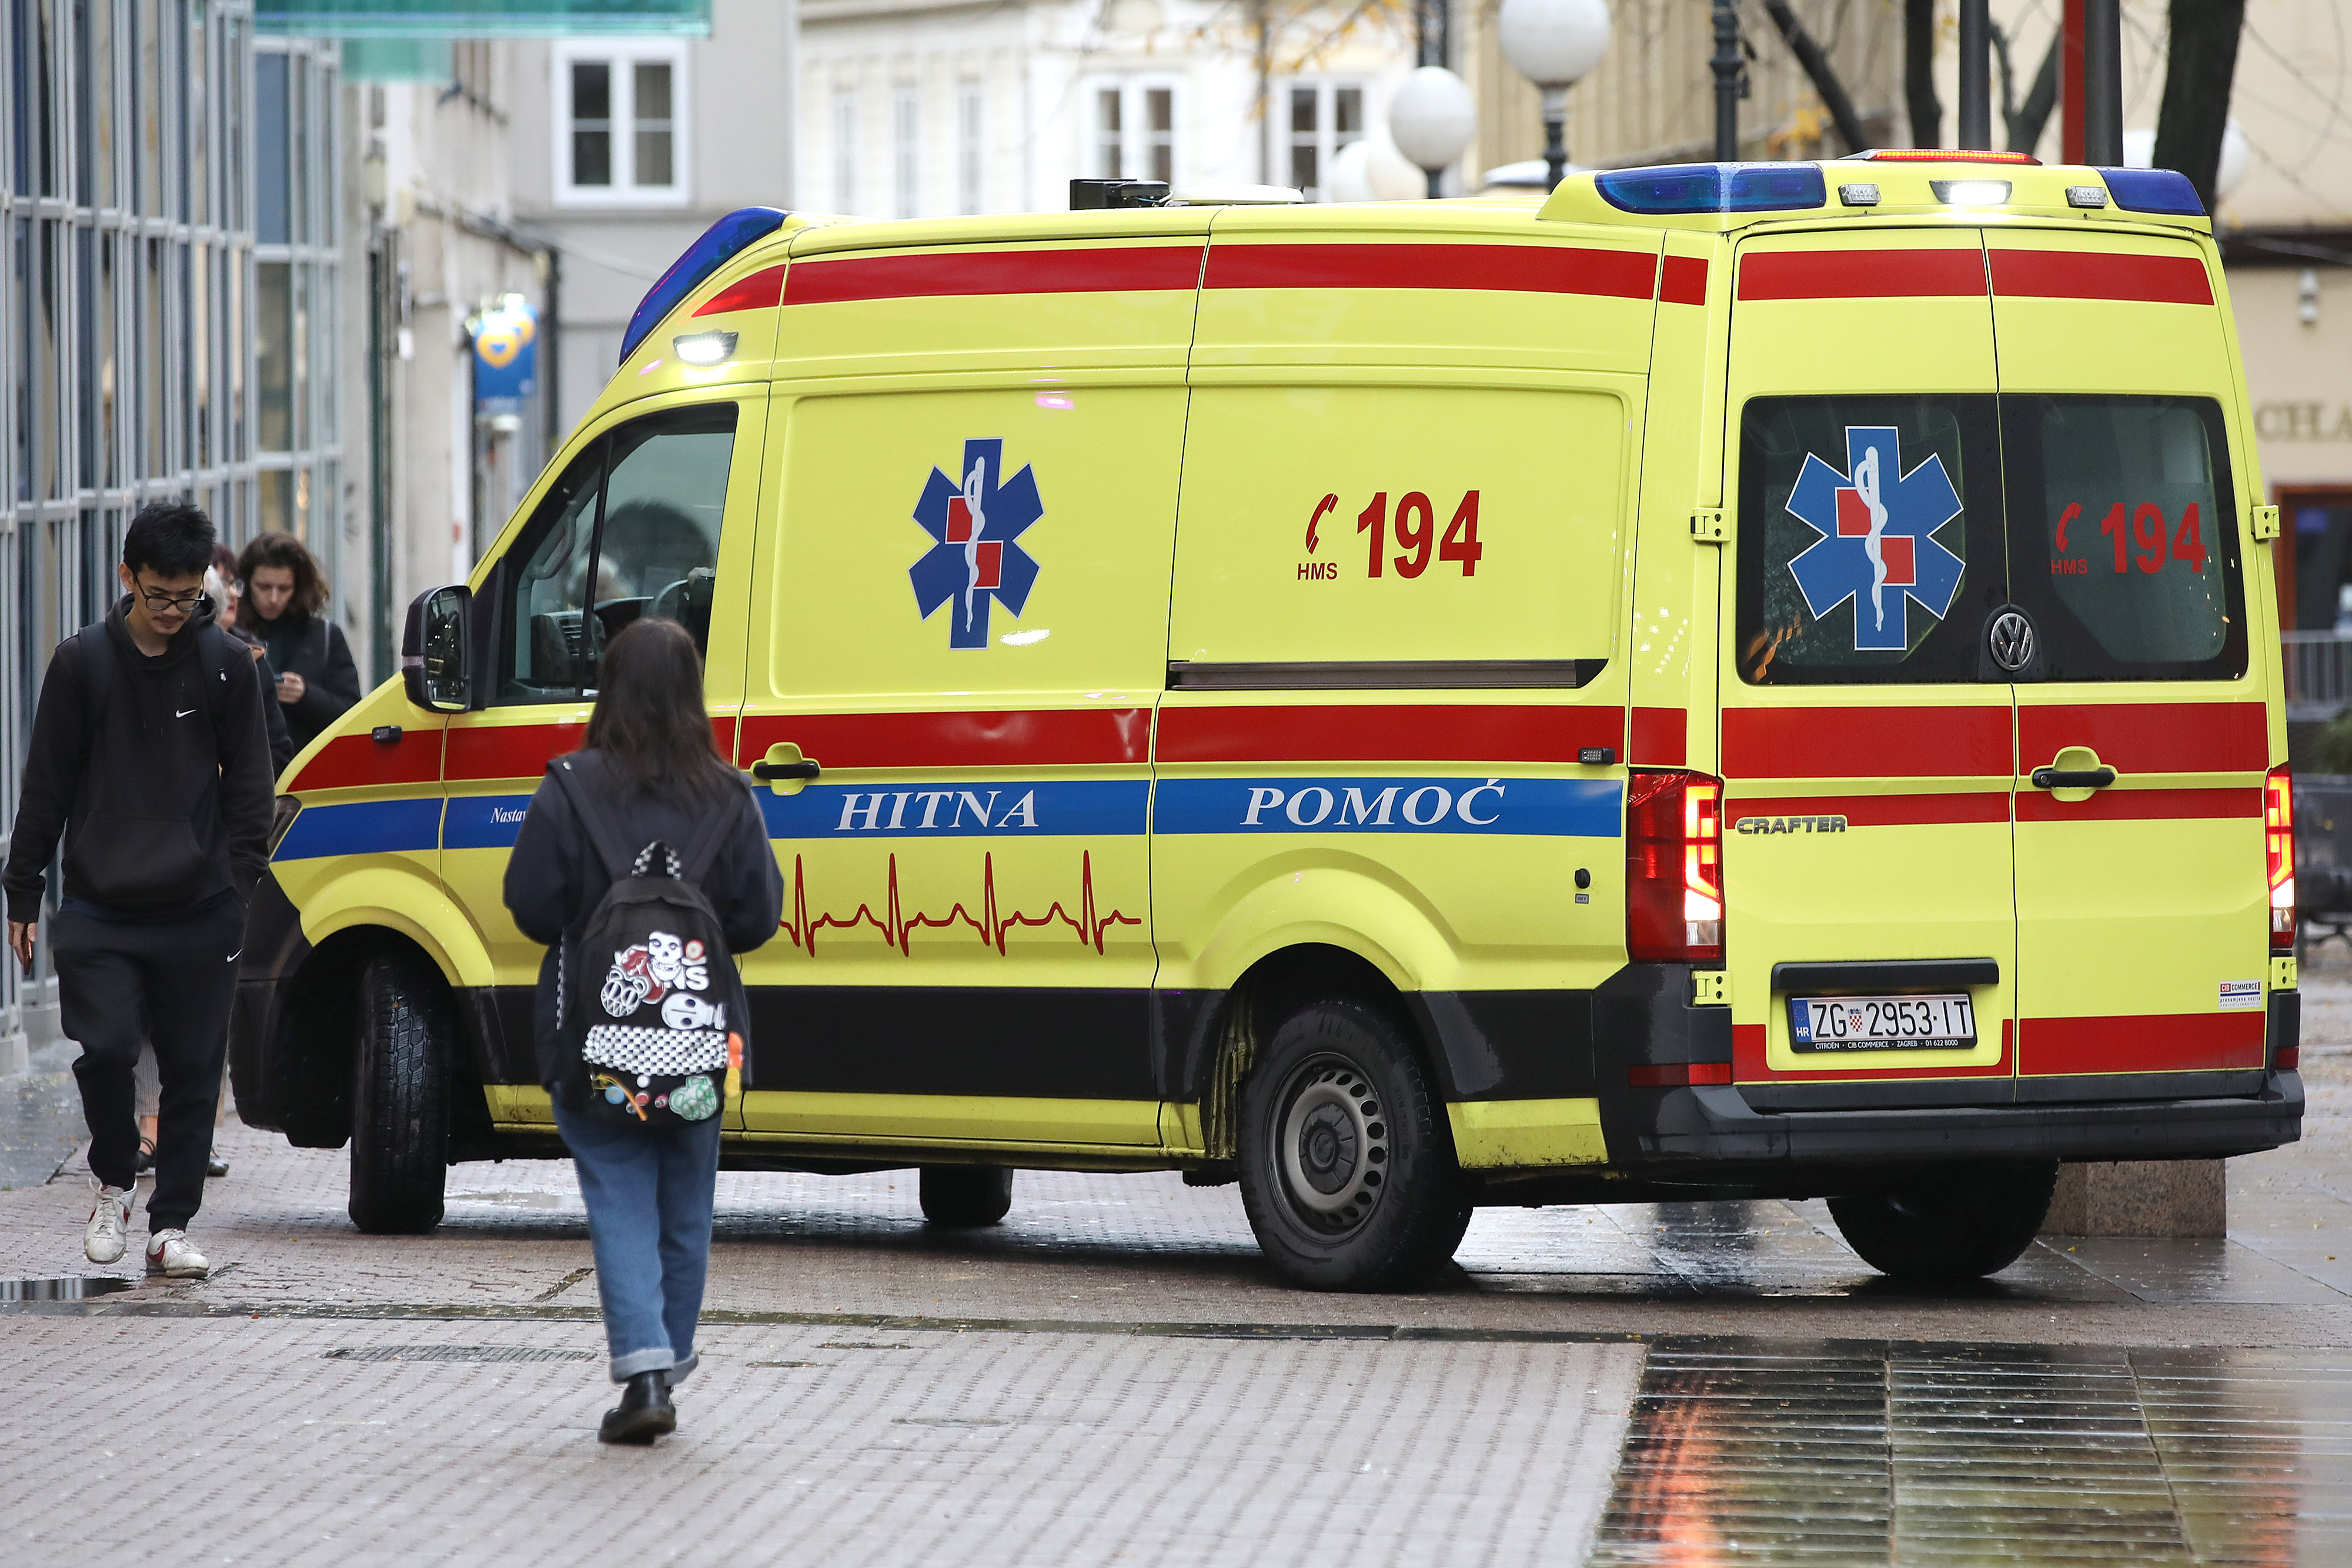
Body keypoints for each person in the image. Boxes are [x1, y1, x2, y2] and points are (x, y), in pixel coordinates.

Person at [502, 617, 781, 1445]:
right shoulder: (729, 795)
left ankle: (644, 1367)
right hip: (701, 1041)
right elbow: (758, 916)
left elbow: (528, 903)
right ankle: (669, 1360)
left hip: (594, 1039)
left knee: (618, 1192)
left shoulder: (569, 785)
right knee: (687, 1201)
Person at [4, 500, 273, 1279]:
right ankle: (115, 1176)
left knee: (194, 1066)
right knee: (109, 1048)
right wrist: (24, 889)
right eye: (158, 594)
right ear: (127, 578)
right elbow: (46, 784)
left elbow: (251, 788)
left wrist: (238, 884)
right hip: (101, 903)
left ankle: (171, 1223)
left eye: (187, 596)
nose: (171, 612)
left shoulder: (225, 664)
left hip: (199, 903)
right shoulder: (82, 663)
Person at [236, 530, 359, 755]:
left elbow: (352, 714)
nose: (273, 599)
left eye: (284, 589)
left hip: (308, 777)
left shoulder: (325, 637)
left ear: (298, 587)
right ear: (245, 584)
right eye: (263, 587)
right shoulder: (230, 635)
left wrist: (306, 695)